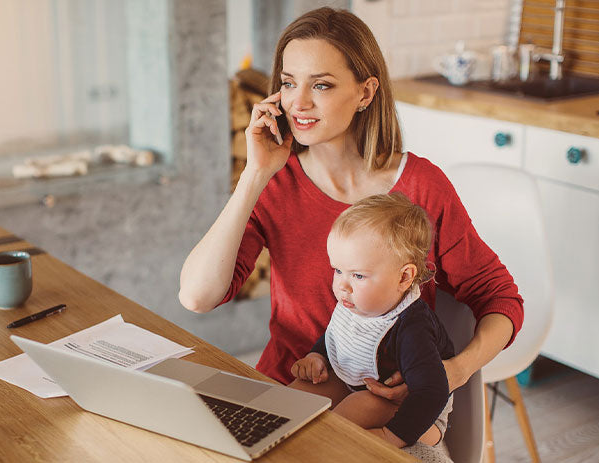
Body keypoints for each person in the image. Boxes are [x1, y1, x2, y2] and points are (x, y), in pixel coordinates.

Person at [179, 5, 522, 413]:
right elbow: (197, 297)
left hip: (386, 405)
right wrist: (255, 174)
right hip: (290, 388)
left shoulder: (422, 186)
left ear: (365, 92)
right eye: (289, 83)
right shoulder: (275, 181)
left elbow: (499, 296)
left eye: (321, 86)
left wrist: (456, 371)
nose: (298, 103)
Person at [289, 192, 454, 449]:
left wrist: (391, 437)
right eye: (338, 270)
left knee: (348, 415)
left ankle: (317, 450)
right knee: (295, 396)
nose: (342, 285)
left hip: (421, 414)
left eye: (358, 275)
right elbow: (341, 334)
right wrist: (317, 356)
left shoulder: (411, 328)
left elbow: (432, 393)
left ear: (403, 278)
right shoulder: (358, 300)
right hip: (360, 384)